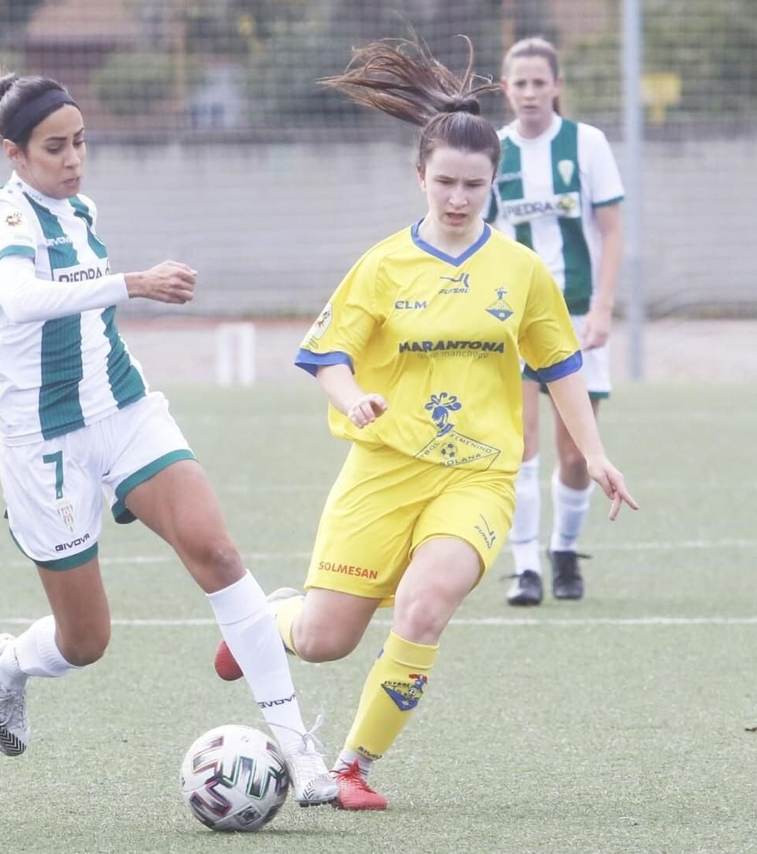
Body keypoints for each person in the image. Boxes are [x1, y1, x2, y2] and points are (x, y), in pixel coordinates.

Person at [212, 35, 637, 810]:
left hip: (477, 477)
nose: (458, 198)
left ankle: (351, 766)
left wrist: (595, 451)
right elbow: (325, 356)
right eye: (444, 182)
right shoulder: (383, 265)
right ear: (420, 177)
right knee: (325, 641)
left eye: (474, 185)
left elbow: (560, 364)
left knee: (426, 603)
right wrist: (353, 401)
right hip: (383, 468)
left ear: (493, 183)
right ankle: (275, 620)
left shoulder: (521, 271)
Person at [0, 69, 338, 806]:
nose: (73, 160)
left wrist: (124, 288)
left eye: (80, 143)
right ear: (15, 154)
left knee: (216, 551)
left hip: (124, 410)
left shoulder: (80, 209)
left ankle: (299, 748)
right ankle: (9, 663)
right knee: (85, 641)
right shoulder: (1, 219)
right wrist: (134, 281)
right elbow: (22, 298)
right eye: (54, 148)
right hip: (45, 442)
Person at [489, 37, 626, 605]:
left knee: (576, 454)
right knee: (520, 443)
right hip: (512, 319)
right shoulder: (493, 150)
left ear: (556, 86)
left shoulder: (586, 144)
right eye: (518, 83)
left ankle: (564, 551)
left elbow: (612, 231)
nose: (528, 93)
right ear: (505, 89)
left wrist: (602, 308)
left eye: (538, 82)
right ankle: (526, 568)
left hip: (575, 317)